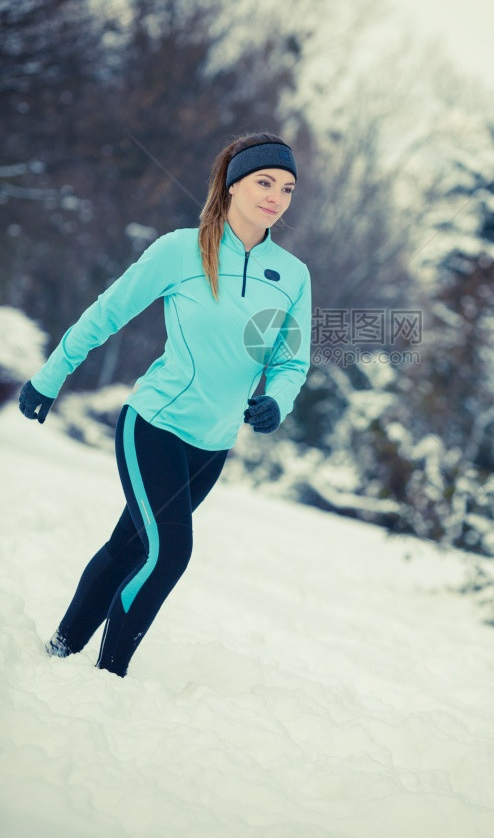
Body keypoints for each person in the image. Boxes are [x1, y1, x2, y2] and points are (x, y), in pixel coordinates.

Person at [18, 132, 311, 678]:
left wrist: (277, 401)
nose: (276, 196)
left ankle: (59, 652)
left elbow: (292, 362)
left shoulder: (293, 276)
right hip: (154, 423)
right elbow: (107, 314)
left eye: (287, 188)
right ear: (232, 184)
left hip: (214, 444)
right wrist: (49, 377)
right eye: (264, 182)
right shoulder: (181, 249)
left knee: (129, 546)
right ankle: (107, 678)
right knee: (169, 552)